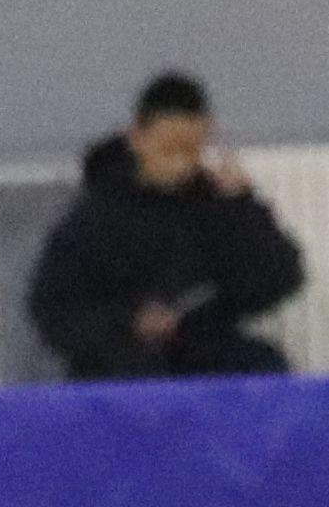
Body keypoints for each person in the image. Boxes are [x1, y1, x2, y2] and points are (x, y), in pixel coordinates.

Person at [22, 72, 303, 383]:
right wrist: (130, 320)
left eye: (192, 151)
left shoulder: (217, 204)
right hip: (120, 356)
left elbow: (278, 279)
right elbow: (54, 309)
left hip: (202, 348)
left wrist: (241, 205)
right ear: (137, 139)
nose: (181, 164)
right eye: (169, 150)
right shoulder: (96, 217)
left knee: (261, 366)